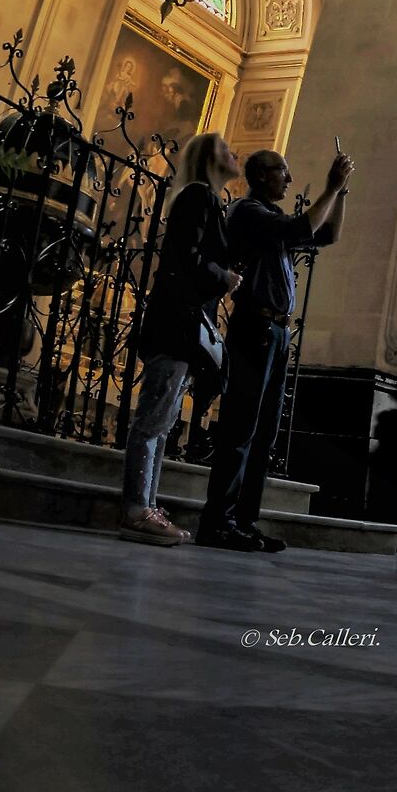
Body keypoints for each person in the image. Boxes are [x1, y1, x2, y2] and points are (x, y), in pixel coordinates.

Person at [196, 146, 351, 552]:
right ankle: (219, 521)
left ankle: (244, 523)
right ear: (262, 176)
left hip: (278, 334)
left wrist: (341, 193)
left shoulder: (274, 220)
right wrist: (331, 186)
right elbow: (302, 228)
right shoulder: (249, 213)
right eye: (283, 171)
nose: (290, 179)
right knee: (241, 428)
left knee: (264, 433)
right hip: (256, 328)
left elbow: (328, 234)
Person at [119, 133, 242, 546]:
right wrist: (223, 277)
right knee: (153, 420)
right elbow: (183, 258)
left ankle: (148, 504)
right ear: (209, 158)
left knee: (163, 419)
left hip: (180, 325)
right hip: (176, 325)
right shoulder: (199, 197)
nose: (234, 154)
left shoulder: (208, 200)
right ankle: (138, 511)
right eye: (227, 149)